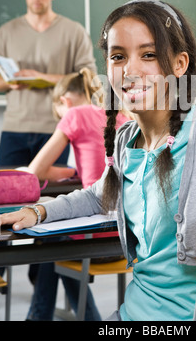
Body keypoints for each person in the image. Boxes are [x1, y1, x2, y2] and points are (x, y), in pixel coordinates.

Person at [0, 0, 196, 322]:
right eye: (118, 56)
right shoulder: (127, 139)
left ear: (180, 64)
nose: (129, 70)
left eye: (148, 55)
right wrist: (36, 211)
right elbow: (99, 195)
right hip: (131, 312)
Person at [24, 69, 130, 321]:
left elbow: (34, 171)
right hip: (126, 240)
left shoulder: (73, 114)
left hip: (94, 240)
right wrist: (78, 168)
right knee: (56, 246)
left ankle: (40, 316)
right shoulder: (123, 117)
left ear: (64, 102)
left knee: (50, 242)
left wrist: (72, 170)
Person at [0, 0, 96, 168]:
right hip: (14, 128)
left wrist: (41, 77)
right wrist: (10, 83)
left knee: (50, 196)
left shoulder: (74, 31)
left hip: (56, 129)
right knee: (6, 194)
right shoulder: (6, 32)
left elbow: (89, 78)